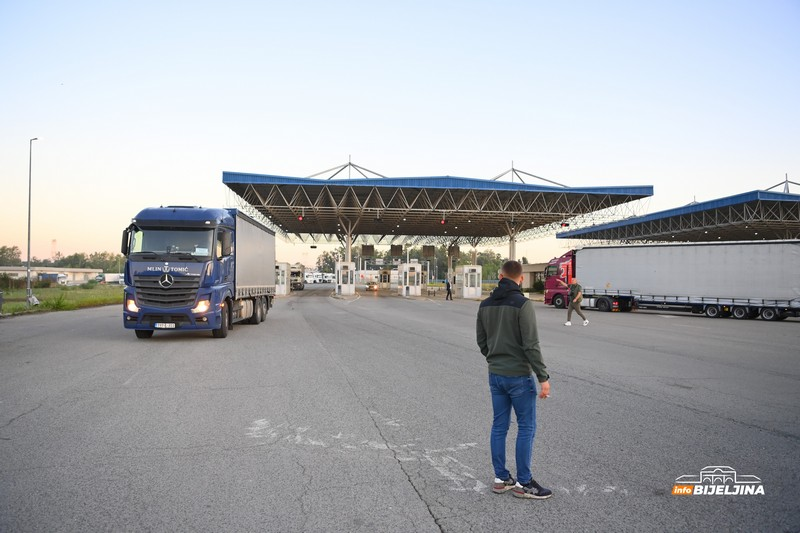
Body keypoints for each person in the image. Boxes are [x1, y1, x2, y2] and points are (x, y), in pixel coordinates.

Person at [476, 260, 553, 500]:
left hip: (496, 375)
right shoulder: (523, 304)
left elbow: (482, 340)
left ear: (500, 276)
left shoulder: (485, 304)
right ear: (520, 279)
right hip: (519, 375)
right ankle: (524, 482)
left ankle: (501, 479)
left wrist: (494, 357)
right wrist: (543, 377)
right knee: (526, 427)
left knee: (499, 425)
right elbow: (531, 345)